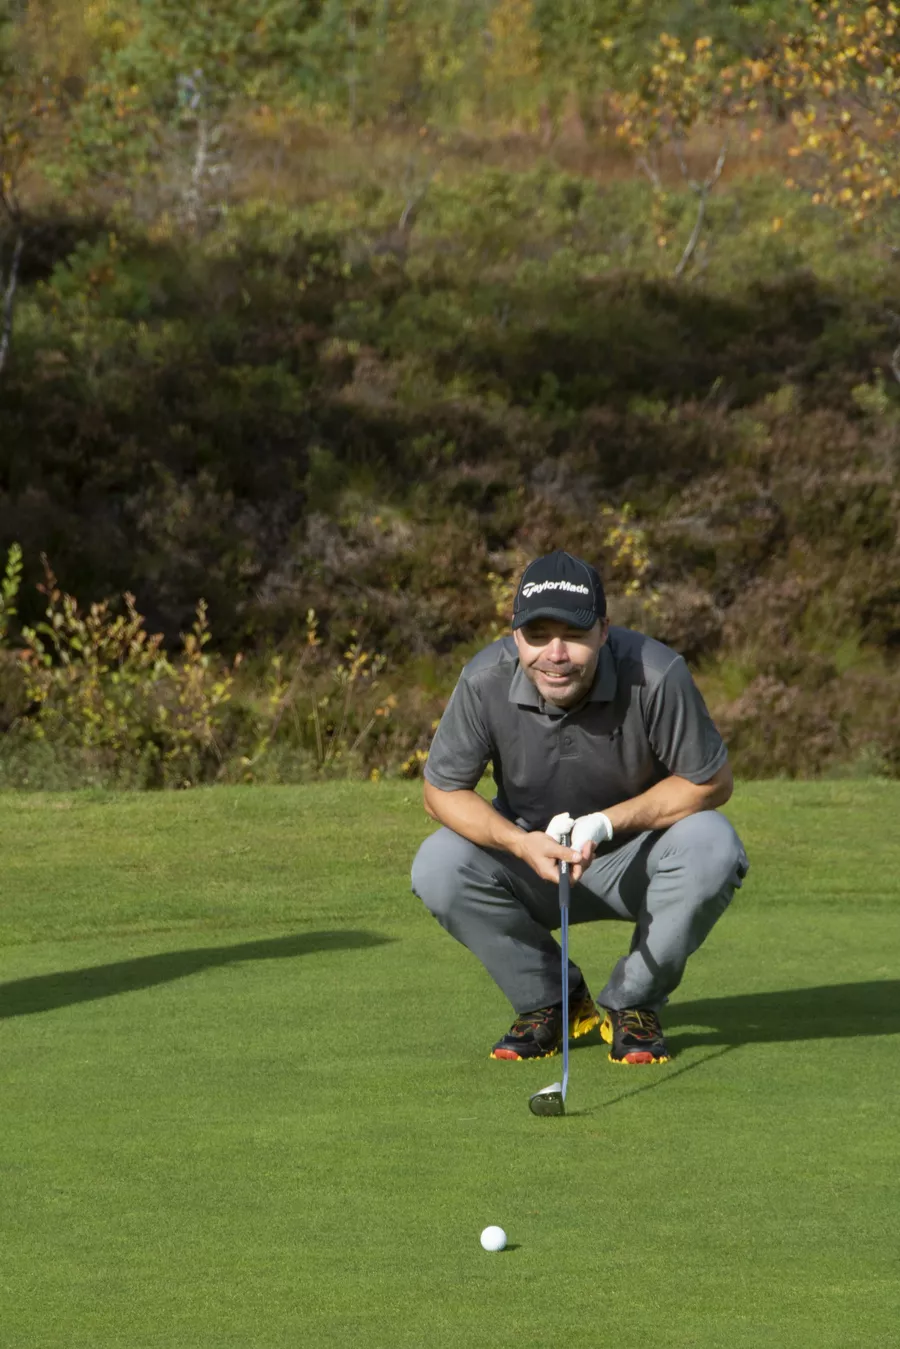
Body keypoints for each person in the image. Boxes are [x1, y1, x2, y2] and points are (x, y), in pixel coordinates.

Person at [411, 549, 749, 1066]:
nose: (555, 653)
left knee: (713, 845)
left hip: (638, 859)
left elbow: (710, 782)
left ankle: (633, 1003)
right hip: (534, 862)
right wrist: (520, 843)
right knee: (438, 864)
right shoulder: (484, 680)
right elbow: (441, 793)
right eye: (538, 635)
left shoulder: (656, 674)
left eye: (573, 634)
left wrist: (607, 823)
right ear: (516, 635)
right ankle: (554, 1001)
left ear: (603, 631)